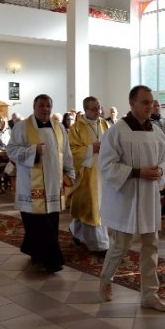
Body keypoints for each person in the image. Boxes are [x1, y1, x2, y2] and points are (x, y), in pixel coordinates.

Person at [99, 85, 165, 312]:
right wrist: (138, 172)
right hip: (126, 197)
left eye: (151, 102)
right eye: (145, 102)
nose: (150, 106)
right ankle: (105, 279)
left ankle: (149, 295)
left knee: (151, 245)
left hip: (149, 197)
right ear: (132, 103)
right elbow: (107, 165)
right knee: (121, 245)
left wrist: (161, 170)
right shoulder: (117, 131)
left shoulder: (156, 131)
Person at [6, 94, 75, 273]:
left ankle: (34, 251)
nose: (45, 109)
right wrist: (33, 151)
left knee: (50, 221)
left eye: (48, 106)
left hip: (53, 184)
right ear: (34, 107)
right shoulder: (22, 127)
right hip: (31, 185)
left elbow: (66, 153)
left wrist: (70, 172)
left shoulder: (59, 127)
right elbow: (11, 150)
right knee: (38, 223)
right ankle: (52, 261)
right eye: (41, 105)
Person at [68, 96, 110, 254]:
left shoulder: (105, 124)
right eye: (94, 109)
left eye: (99, 107)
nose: (98, 111)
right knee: (92, 208)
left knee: (89, 207)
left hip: (104, 172)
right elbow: (71, 150)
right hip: (87, 173)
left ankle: (76, 231)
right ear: (85, 110)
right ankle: (99, 245)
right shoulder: (76, 128)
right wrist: (91, 148)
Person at [0, 116, 11, 193]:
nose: (3, 123)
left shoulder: (10, 131)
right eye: (2, 122)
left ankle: (7, 184)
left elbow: (12, 142)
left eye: (5, 122)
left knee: (9, 168)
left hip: (8, 152)